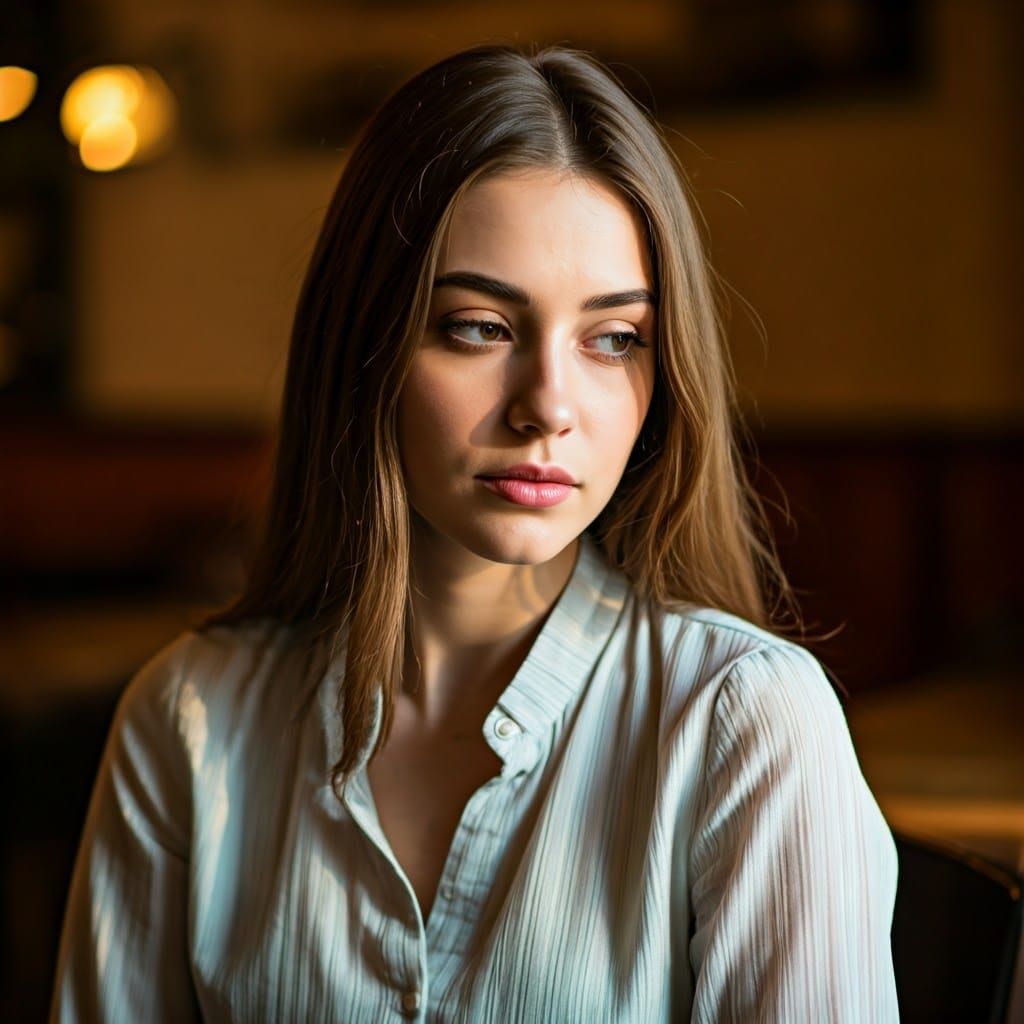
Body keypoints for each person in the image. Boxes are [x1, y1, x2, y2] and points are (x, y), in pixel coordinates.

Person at [50, 43, 899, 1023]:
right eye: (478, 327)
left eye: (613, 338)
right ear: (365, 343)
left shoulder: (742, 722)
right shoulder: (190, 724)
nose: (548, 405)